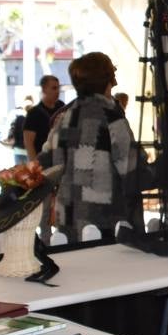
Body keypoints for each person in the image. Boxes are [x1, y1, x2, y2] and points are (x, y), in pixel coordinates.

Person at [45, 53, 142, 239]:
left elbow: (50, 162)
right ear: (108, 79)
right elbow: (131, 170)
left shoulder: (64, 119)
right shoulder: (111, 118)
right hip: (107, 222)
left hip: (68, 221)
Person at [23, 75, 64, 161]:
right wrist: (35, 164)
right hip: (42, 161)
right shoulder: (33, 113)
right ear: (44, 89)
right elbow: (28, 143)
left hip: (60, 159)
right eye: (54, 88)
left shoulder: (62, 107)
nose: (57, 92)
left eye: (58, 88)